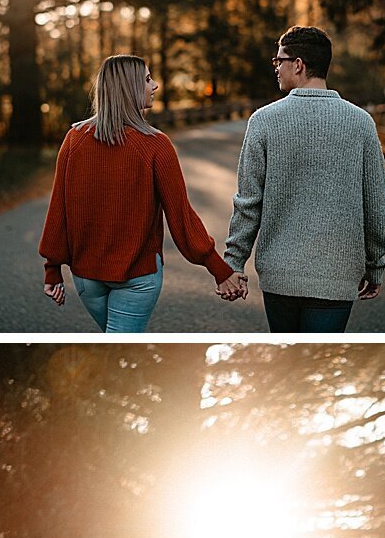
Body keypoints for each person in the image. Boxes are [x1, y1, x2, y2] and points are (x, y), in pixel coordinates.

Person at [39, 54, 246, 331]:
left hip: (87, 277)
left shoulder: (74, 139)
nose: (155, 85)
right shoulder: (155, 145)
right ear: (129, 87)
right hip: (137, 276)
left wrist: (53, 268)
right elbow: (181, 216)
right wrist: (219, 269)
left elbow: (58, 210)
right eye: (148, 79)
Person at [223, 25, 385, 333]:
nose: (276, 67)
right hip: (337, 275)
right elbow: (376, 205)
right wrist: (374, 265)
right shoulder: (361, 123)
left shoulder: (263, 121)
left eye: (279, 60)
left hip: (280, 275)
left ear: (298, 65)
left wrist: (234, 263)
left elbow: (248, 202)